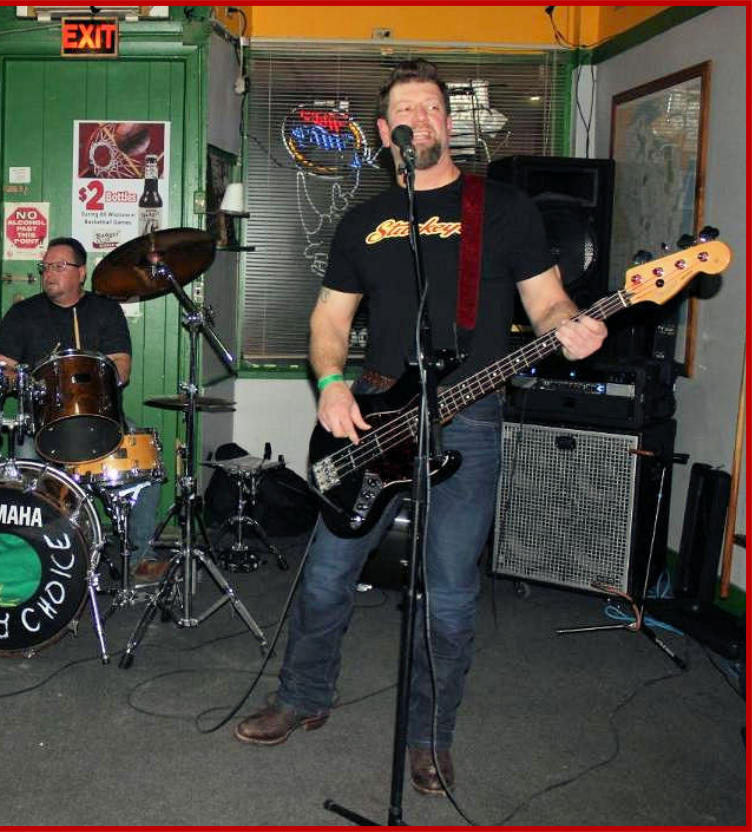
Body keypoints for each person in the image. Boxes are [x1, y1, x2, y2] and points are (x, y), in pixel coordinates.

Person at [233, 59, 607, 797]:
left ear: (449, 122)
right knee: (327, 573)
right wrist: (331, 385)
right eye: (406, 110)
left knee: (450, 594)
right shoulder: (363, 221)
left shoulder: (502, 209)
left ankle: (431, 738)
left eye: (432, 107)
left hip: (469, 418)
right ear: (385, 132)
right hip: (373, 409)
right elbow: (329, 320)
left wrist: (571, 328)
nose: (420, 120)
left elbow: (548, 305)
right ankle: (303, 696)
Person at [0, 236, 166, 582]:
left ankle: (140, 557)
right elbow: (1, 366)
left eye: (59, 266)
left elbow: (122, 368)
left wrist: (87, 377)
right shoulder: (23, 314)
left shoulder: (105, 310)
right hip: (40, 422)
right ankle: (32, 559)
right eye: (45, 267)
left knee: (146, 461)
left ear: (81, 273)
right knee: (24, 475)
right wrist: (27, 381)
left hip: (101, 417)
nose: (49, 273)